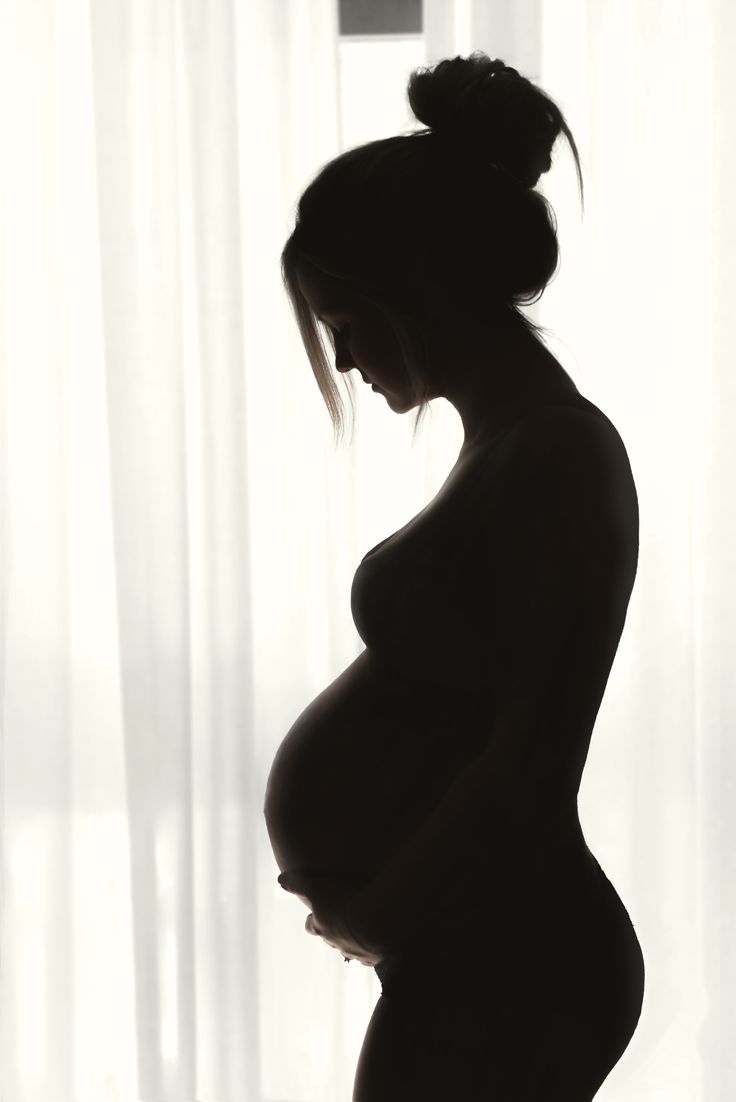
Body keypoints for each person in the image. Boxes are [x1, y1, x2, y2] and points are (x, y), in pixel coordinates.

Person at [276, 51, 644, 1101]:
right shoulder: (512, 446)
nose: (344, 363)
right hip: (468, 948)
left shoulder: (560, 453)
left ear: (418, 291)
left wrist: (376, 911)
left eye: (345, 326)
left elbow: (532, 752)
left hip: (517, 958)